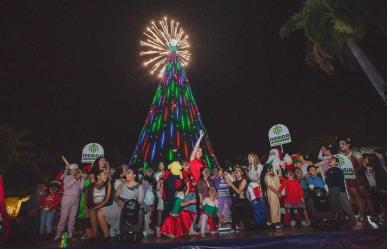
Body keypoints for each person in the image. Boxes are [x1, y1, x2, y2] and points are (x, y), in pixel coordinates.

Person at [98, 167, 144, 239]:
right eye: (126, 173)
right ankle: (106, 237)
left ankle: (118, 229)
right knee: (100, 213)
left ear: (134, 175)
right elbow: (116, 196)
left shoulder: (139, 187)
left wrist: (129, 205)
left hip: (130, 211)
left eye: (129, 173)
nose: (127, 174)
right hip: (119, 206)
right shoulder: (122, 184)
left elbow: (140, 202)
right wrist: (118, 201)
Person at [339, 138, 375, 221]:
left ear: (348, 145)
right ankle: (362, 215)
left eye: (343, 144)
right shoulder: (341, 156)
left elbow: (361, 167)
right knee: (356, 197)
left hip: (359, 179)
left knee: (366, 196)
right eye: (340, 144)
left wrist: (352, 172)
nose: (341, 146)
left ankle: (374, 213)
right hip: (349, 180)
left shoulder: (356, 154)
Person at [54, 164, 86, 241]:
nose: (74, 171)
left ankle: (70, 233)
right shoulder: (67, 177)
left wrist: (83, 179)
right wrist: (76, 179)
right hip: (67, 198)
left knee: (73, 217)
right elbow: (67, 186)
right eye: (72, 170)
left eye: (75, 170)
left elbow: (81, 188)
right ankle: (58, 234)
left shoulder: (79, 178)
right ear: (69, 170)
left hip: (76, 199)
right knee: (63, 217)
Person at [85, 169, 112, 240]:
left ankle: (106, 236)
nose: (106, 176)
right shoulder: (92, 186)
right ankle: (95, 235)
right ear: (98, 176)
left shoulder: (108, 184)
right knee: (92, 212)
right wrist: (88, 209)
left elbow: (106, 200)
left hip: (104, 205)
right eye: (104, 174)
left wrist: (96, 207)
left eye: (106, 174)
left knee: (96, 211)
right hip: (93, 205)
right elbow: (87, 199)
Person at [325, 156, 354, 221]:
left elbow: (341, 180)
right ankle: (342, 216)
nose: (330, 160)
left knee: (344, 202)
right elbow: (327, 181)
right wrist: (328, 190)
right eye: (329, 159)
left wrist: (342, 189)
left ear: (336, 163)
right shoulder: (327, 171)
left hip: (339, 188)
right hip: (331, 189)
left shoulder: (338, 170)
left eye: (332, 160)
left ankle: (350, 216)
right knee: (336, 203)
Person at [226, 164, 253, 231]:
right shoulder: (234, 182)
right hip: (237, 202)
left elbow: (238, 192)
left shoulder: (244, 180)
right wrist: (229, 185)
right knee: (234, 208)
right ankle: (233, 228)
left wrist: (231, 184)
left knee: (248, 225)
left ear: (242, 173)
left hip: (244, 202)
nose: (236, 172)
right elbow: (231, 193)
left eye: (239, 171)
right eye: (235, 171)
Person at [142, 167, 156, 236]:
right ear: (146, 172)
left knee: (148, 214)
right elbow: (143, 192)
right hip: (145, 201)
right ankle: (146, 229)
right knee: (146, 215)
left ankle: (147, 229)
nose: (149, 172)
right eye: (148, 171)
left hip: (149, 200)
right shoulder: (145, 181)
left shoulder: (151, 180)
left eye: (150, 171)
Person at [153, 162, 165, 238]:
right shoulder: (156, 174)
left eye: (162, 164)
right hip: (159, 194)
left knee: (165, 210)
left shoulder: (168, 173)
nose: (161, 166)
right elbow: (154, 186)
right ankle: (158, 227)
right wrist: (159, 182)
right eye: (160, 164)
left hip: (166, 193)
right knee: (160, 210)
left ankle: (164, 228)